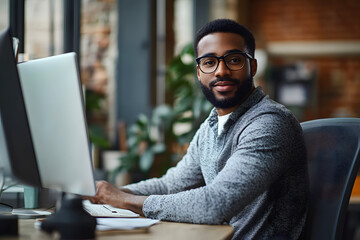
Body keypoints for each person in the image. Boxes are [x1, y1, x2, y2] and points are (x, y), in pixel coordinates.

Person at [87, 19, 309, 239]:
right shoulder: (210, 126)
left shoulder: (269, 123)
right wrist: (109, 194)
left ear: (252, 66)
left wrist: (123, 200)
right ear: (199, 72)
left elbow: (217, 203)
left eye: (233, 60)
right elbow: (171, 185)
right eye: (209, 62)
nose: (221, 71)